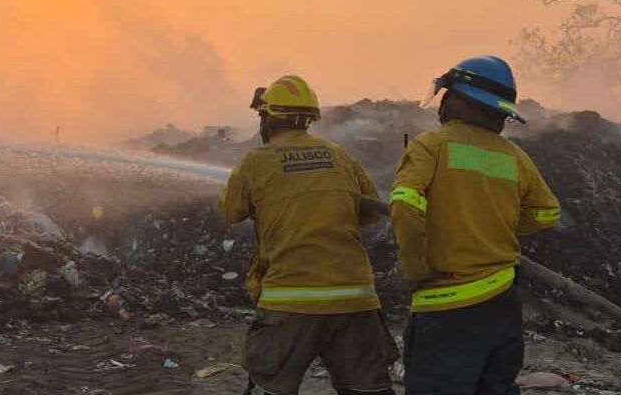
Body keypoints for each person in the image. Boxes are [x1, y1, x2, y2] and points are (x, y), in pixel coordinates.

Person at [389, 56, 562, 395]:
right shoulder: (514, 156)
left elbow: (404, 205)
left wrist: (414, 267)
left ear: (456, 100)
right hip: (502, 304)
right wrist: (493, 223)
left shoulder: (431, 146)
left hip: (447, 305)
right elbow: (546, 213)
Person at [219, 75, 399, 395]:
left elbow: (231, 211)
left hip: (289, 300)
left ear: (270, 118)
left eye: (262, 117)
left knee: (270, 388)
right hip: (354, 300)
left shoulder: (256, 161)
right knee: (367, 390)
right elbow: (370, 212)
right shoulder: (340, 157)